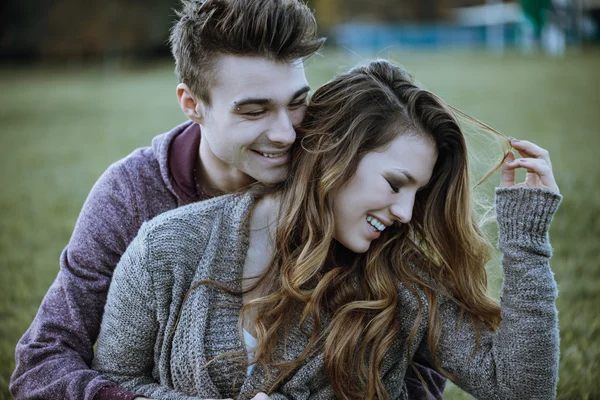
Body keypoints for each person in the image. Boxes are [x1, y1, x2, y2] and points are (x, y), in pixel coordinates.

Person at [9, 1, 445, 400]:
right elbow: (42, 363)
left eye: (297, 103)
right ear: (192, 104)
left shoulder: (341, 183)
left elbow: (419, 364)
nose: (287, 134)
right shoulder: (132, 195)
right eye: (254, 111)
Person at [91, 59, 561, 400]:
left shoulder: (400, 278)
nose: (406, 212)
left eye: (417, 193)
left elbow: (520, 389)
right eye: (396, 184)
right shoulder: (165, 248)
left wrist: (527, 241)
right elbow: (111, 386)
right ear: (334, 154)